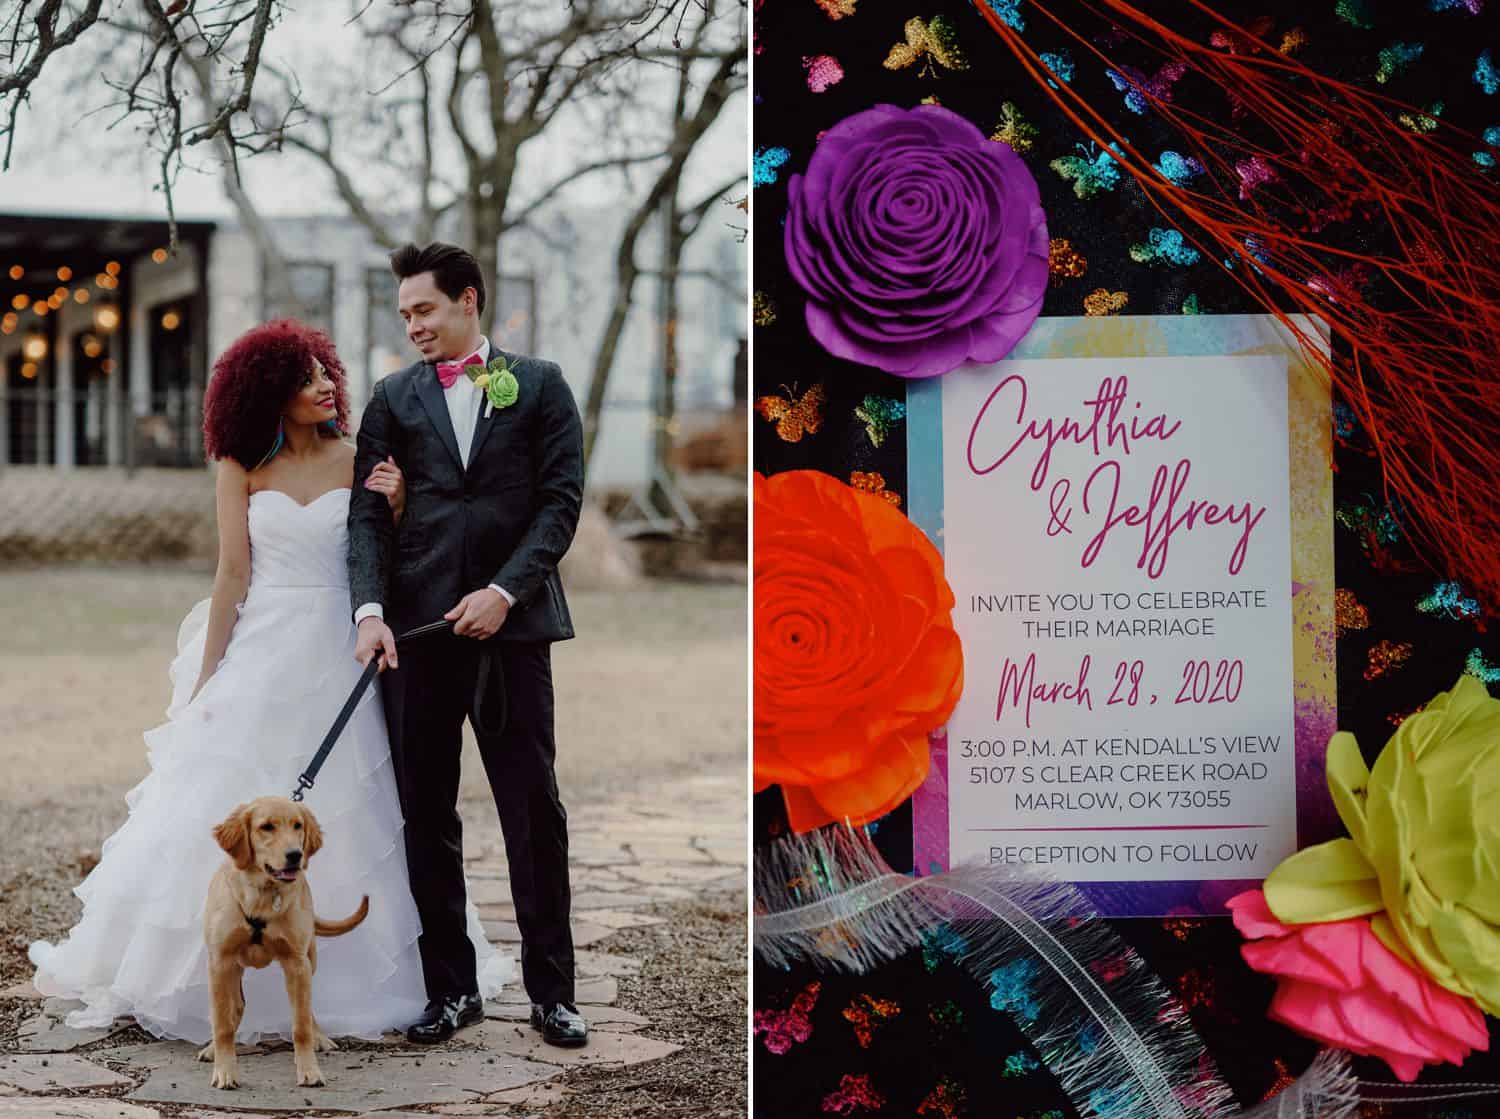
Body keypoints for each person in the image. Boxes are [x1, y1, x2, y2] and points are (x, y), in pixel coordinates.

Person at [29, 319, 508, 1043]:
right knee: (228, 794)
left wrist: (402, 503)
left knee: (368, 803)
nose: (322, 384)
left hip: (346, 645)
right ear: (268, 392)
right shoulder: (242, 462)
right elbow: (231, 575)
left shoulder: (360, 456)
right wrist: (205, 681)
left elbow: (388, 556)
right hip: (264, 646)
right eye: (304, 375)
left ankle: (385, 978)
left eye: (325, 371)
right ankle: (202, 971)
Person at [348, 242, 587, 1046]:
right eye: (405, 313)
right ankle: (450, 990)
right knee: (424, 814)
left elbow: (560, 503)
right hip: (415, 636)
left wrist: (504, 591)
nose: (413, 325)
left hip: (513, 631)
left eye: (425, 309)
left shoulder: (543, 385)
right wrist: (370, 610)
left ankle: (554, 993)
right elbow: (366, 519)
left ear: (469, 301)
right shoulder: (390, 398)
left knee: (532, 808)